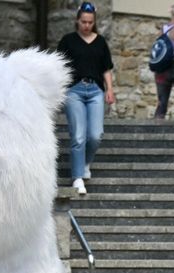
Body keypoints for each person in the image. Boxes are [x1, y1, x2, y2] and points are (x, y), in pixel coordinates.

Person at [57, 1, 115, 195]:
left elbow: (106, 68)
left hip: (95, 90)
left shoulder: (100, 42)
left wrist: (110, 89)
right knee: (78, 135)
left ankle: (85, 162)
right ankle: (77, 177)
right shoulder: (68, 41)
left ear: (94, 22)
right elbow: (59, 67)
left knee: (95, 135)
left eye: (90, 22)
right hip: (74, 90)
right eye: (83, 22)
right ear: (77, 21)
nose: (87, 25)